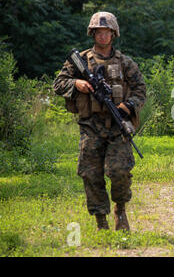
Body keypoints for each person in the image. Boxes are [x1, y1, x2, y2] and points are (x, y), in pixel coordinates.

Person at [53, 12, 147, 231]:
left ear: (113, 34)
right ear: (92, 34)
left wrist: (128, 106)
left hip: (117, 125)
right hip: (91, 125)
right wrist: (76, 83)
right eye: (98, 32)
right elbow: (58, 84)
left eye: (107, 32)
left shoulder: (125, 62)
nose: (103, 36)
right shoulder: (80, 60)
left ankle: (120, 211)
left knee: (120, 171)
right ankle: (100, 220)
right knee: (90, 173)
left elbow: (140, 88)